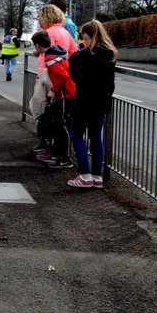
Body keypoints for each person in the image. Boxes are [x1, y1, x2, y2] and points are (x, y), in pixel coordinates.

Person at [66, 20, 117, 188]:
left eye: (84, 38)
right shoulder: (110, 55)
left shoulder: (83, 56)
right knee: (96, 138)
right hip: (102, 102)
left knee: (76, 134)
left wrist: (78, 53)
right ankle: (97, 177)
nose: (84, 41)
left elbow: (76, 77)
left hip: (85, 101)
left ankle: (85, 176)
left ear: (87, 36)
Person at [31, 4, 78, 154]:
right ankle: (56, 148)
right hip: (62, 77)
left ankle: (48, 145)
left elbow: (47, 53)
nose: (39, 20)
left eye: (39, 17)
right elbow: (73, 52)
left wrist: (40, 78)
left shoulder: (49, 33)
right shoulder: (65, 32)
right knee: (58, 116)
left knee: (45, 112)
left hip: (49, 77)